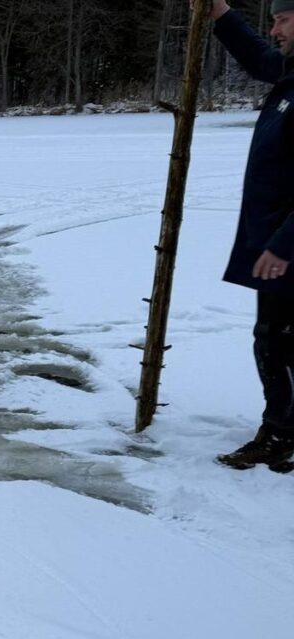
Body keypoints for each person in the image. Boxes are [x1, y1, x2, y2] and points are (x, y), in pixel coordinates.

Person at [206, 0, 294, 472]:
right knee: (275, 339)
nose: (273, 27)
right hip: (276, 241)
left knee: (278, 341)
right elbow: (260, 57)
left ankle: (282, 435)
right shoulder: (289, 71)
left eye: (282, 19)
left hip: (286, 246)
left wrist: (283, 246)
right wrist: (221, 13)